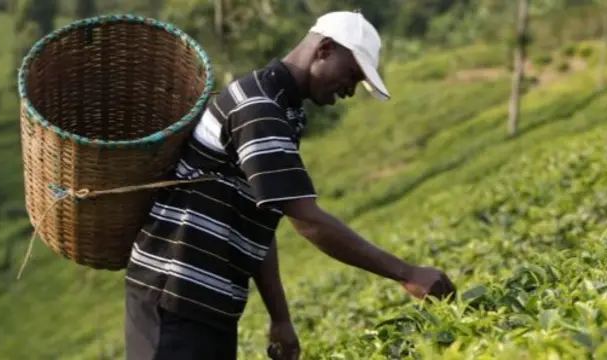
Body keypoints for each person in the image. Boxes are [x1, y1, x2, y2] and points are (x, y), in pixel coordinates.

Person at [123, 10, 456, 360]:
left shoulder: (284, 111)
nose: (350, 90)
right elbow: (306, 220)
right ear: (324, 49)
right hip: (174, 296)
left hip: (210, 301)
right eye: (352, 75)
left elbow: (262, 218)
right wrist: (407, 273)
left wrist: (279, 317)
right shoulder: (259, 107)